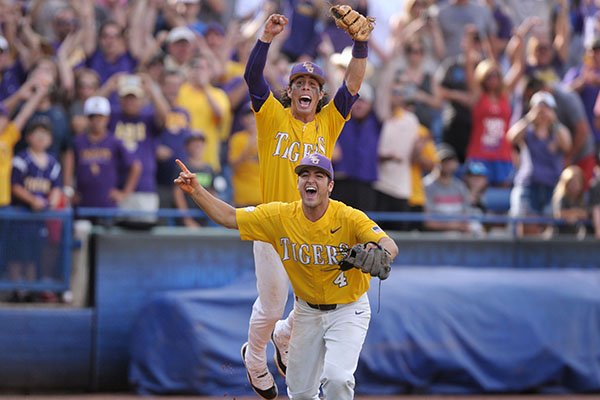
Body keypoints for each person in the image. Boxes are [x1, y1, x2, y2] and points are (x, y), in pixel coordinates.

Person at [174, 153, 398, 400]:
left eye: (319, 176)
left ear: (330, 186)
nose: (310, 180)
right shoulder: (280, 217)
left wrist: (381, 252)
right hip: (306, 312)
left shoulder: (348, 217)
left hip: (348, 309)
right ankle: (281, 337)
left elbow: (388, 243)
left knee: (338, 379)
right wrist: (196, 191)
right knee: (301, 393)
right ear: (298, 183)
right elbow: (229, 217)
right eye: (304, 175)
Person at [241, 12, 369, 399]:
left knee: (315, 298)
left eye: (313, 83)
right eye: (299, 82)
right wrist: (264, 38)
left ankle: (283, 336)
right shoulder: (271, 116)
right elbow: (252, 78)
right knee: (273, 302)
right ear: (290, 90)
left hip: (312, 224)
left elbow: (354, 82)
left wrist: (360, 45)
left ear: (319, 93)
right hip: (272, 223)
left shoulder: (328, 122)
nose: (305, 87)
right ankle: (254, 358)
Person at [507, 91, 572, 237]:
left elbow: (567, 144)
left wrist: (553, 121)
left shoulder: (558, 131)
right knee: (526, 226)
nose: (542, 113)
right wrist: (530, 118)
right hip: (529, 186)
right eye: (539, 108)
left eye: (547, 108)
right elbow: (511, 138)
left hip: (552, 187)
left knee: (550, 232)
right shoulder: (527, 131)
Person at [551, 165, 588, 237]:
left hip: (574, 235)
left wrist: (574, 213)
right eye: (572, 182)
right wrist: (574, 213)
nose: (576, 185)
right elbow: (559, 214)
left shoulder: (581, 197)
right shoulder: (560, 196)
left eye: (578, 181)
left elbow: (585, 213)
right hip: (558, 236)